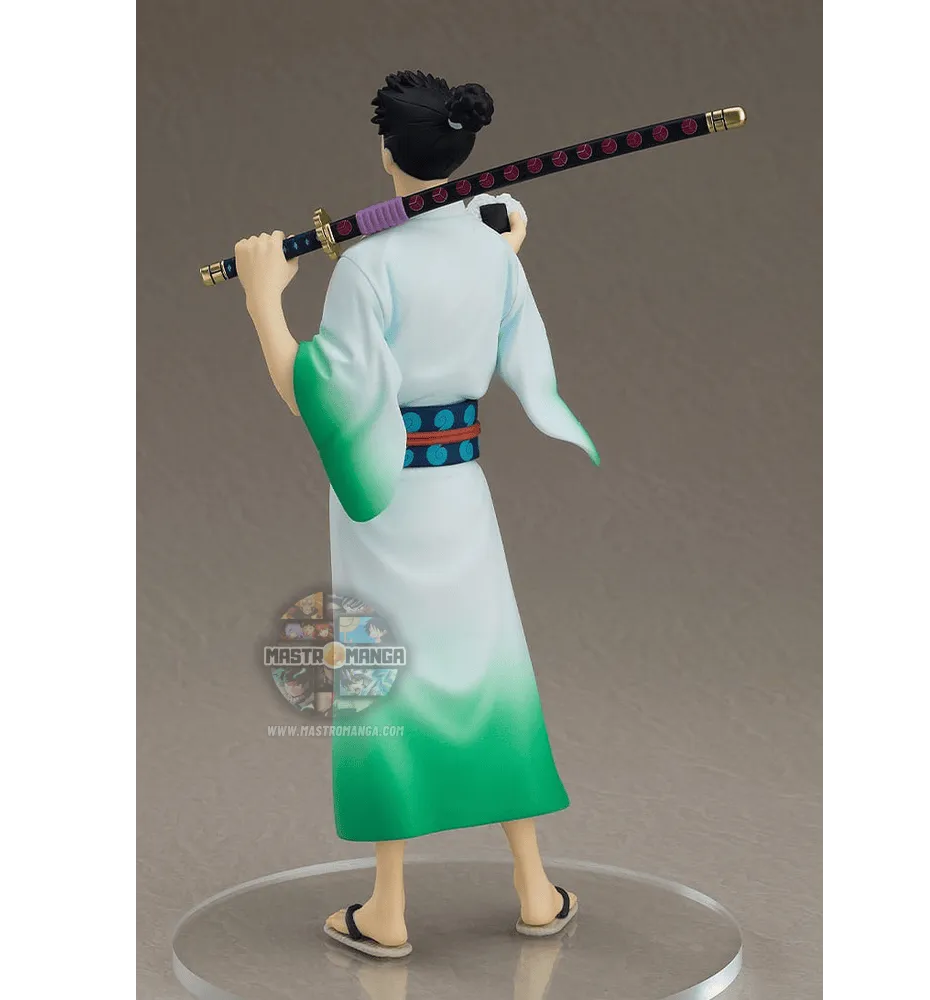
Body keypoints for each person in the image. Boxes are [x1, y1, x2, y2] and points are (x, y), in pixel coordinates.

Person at [235, 69, 598, 957]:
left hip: (389, 500)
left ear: (386, 152)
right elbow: (490, 306)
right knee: (490, 665)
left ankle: (388, 908)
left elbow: (314, 394)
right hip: (461, 492)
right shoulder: (488, 250)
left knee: (382, 681)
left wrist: (262, 296)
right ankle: (535, 888)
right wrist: (506, 250)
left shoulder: (369, 263)